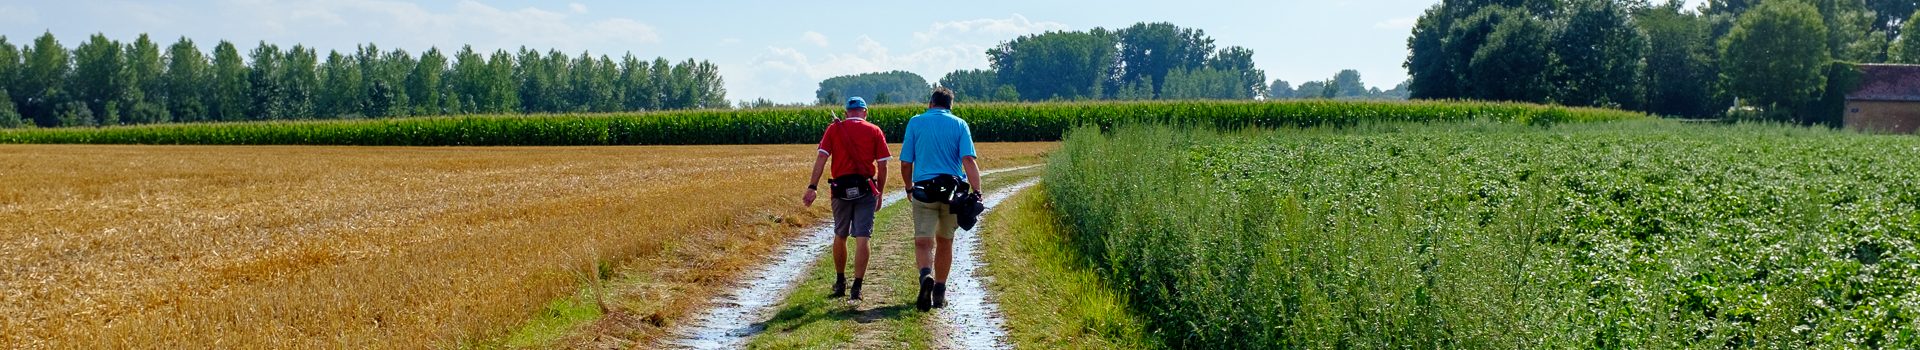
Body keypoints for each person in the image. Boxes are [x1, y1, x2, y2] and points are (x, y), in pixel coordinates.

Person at [899, 87, 981, 311]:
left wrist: (908, 187)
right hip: (952, 194)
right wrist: (977, 191)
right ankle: (939, 292)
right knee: (945, 242)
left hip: (924, 191)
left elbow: (906, 162)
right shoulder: (959, 124)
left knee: (923, 242)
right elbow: (968, 160)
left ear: (930, 103)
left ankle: (926, 275)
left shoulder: (916, 122)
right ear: (950, 106)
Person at [803, 96, 890, 303]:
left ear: (846, 113)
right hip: (866, 190)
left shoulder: (834, 129)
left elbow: (821, 159)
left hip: (840, 190)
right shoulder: (874, 130)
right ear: (865, 112)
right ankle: (857, 288)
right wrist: (880, 192)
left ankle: (840, 281)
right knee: (863, 237)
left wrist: (812, 187)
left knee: (840, 234)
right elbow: (884, 165)